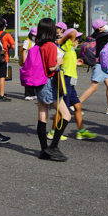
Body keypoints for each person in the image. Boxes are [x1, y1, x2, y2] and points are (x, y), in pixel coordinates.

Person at [30, 18, 72, 162]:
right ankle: (53, 146)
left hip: (39, 83)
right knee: (66, 115)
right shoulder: (51, 46)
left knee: (42, 117)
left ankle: (43, 150)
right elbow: (51, 67)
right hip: (48, 83)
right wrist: (59, 62)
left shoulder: (39, 45)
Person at [50, 29, 97, 141]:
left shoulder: (70, 49)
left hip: (71, 81)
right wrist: (63, 38)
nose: (78, 41)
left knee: (78, 105)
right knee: (63, 108)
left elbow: (67, 60)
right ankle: (53, 131)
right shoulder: (66, 44)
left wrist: (76, 62)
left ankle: (81, 131)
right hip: (65, 79)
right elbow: (73, 33)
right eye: (77, 39)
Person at [78, 18, 108, 114]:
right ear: (100, 28)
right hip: (99, 65)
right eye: (103, 25)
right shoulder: (102, 36)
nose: (105, 27)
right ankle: (76, 104)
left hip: (101, 65)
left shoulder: (94, 36)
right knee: (94, 87)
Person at [20, 26, 37, 100]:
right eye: (34, 35)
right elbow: (24, 52)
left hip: (34, 63)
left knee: (34, 78)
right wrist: (24, 62)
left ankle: (33, 94)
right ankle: (27, 94)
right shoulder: (27, 41)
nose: (35, 36)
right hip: (28, 62)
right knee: (27, 78)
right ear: (31, 34)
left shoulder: (36, 42)